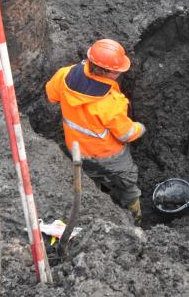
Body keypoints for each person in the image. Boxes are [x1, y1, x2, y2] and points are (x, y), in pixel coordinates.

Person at [45, 39, 146, 225]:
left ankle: (99, 197)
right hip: (110, 156)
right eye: (117, 71)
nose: (120, 73)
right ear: (105, 71)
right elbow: (126, 134)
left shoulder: (64, 75)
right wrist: (140, 128)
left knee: (90, 180)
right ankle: (135, 217)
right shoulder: (110, 103)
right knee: (127, 184)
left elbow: (51, 95)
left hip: (76, 150)